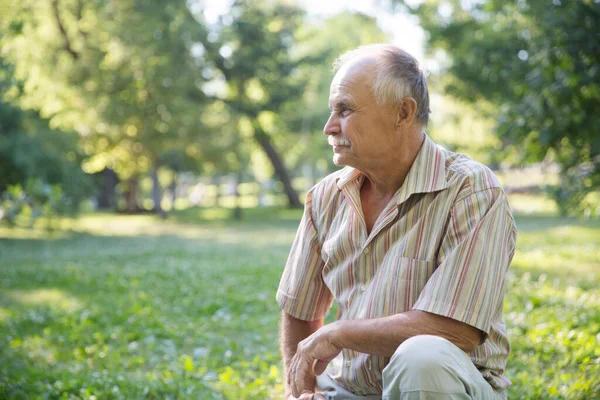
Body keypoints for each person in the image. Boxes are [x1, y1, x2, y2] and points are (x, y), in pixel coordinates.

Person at [276, 44, 517, 400]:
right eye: (332, 111)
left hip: (442, 388)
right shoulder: (325, 197)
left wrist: (337, 333)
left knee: (423, 357)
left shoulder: (470, 190)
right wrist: (302, 390)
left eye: (345, 110)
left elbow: (457, 331)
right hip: (348, 391)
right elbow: (299, 311)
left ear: (402, 112)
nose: (329, 127)